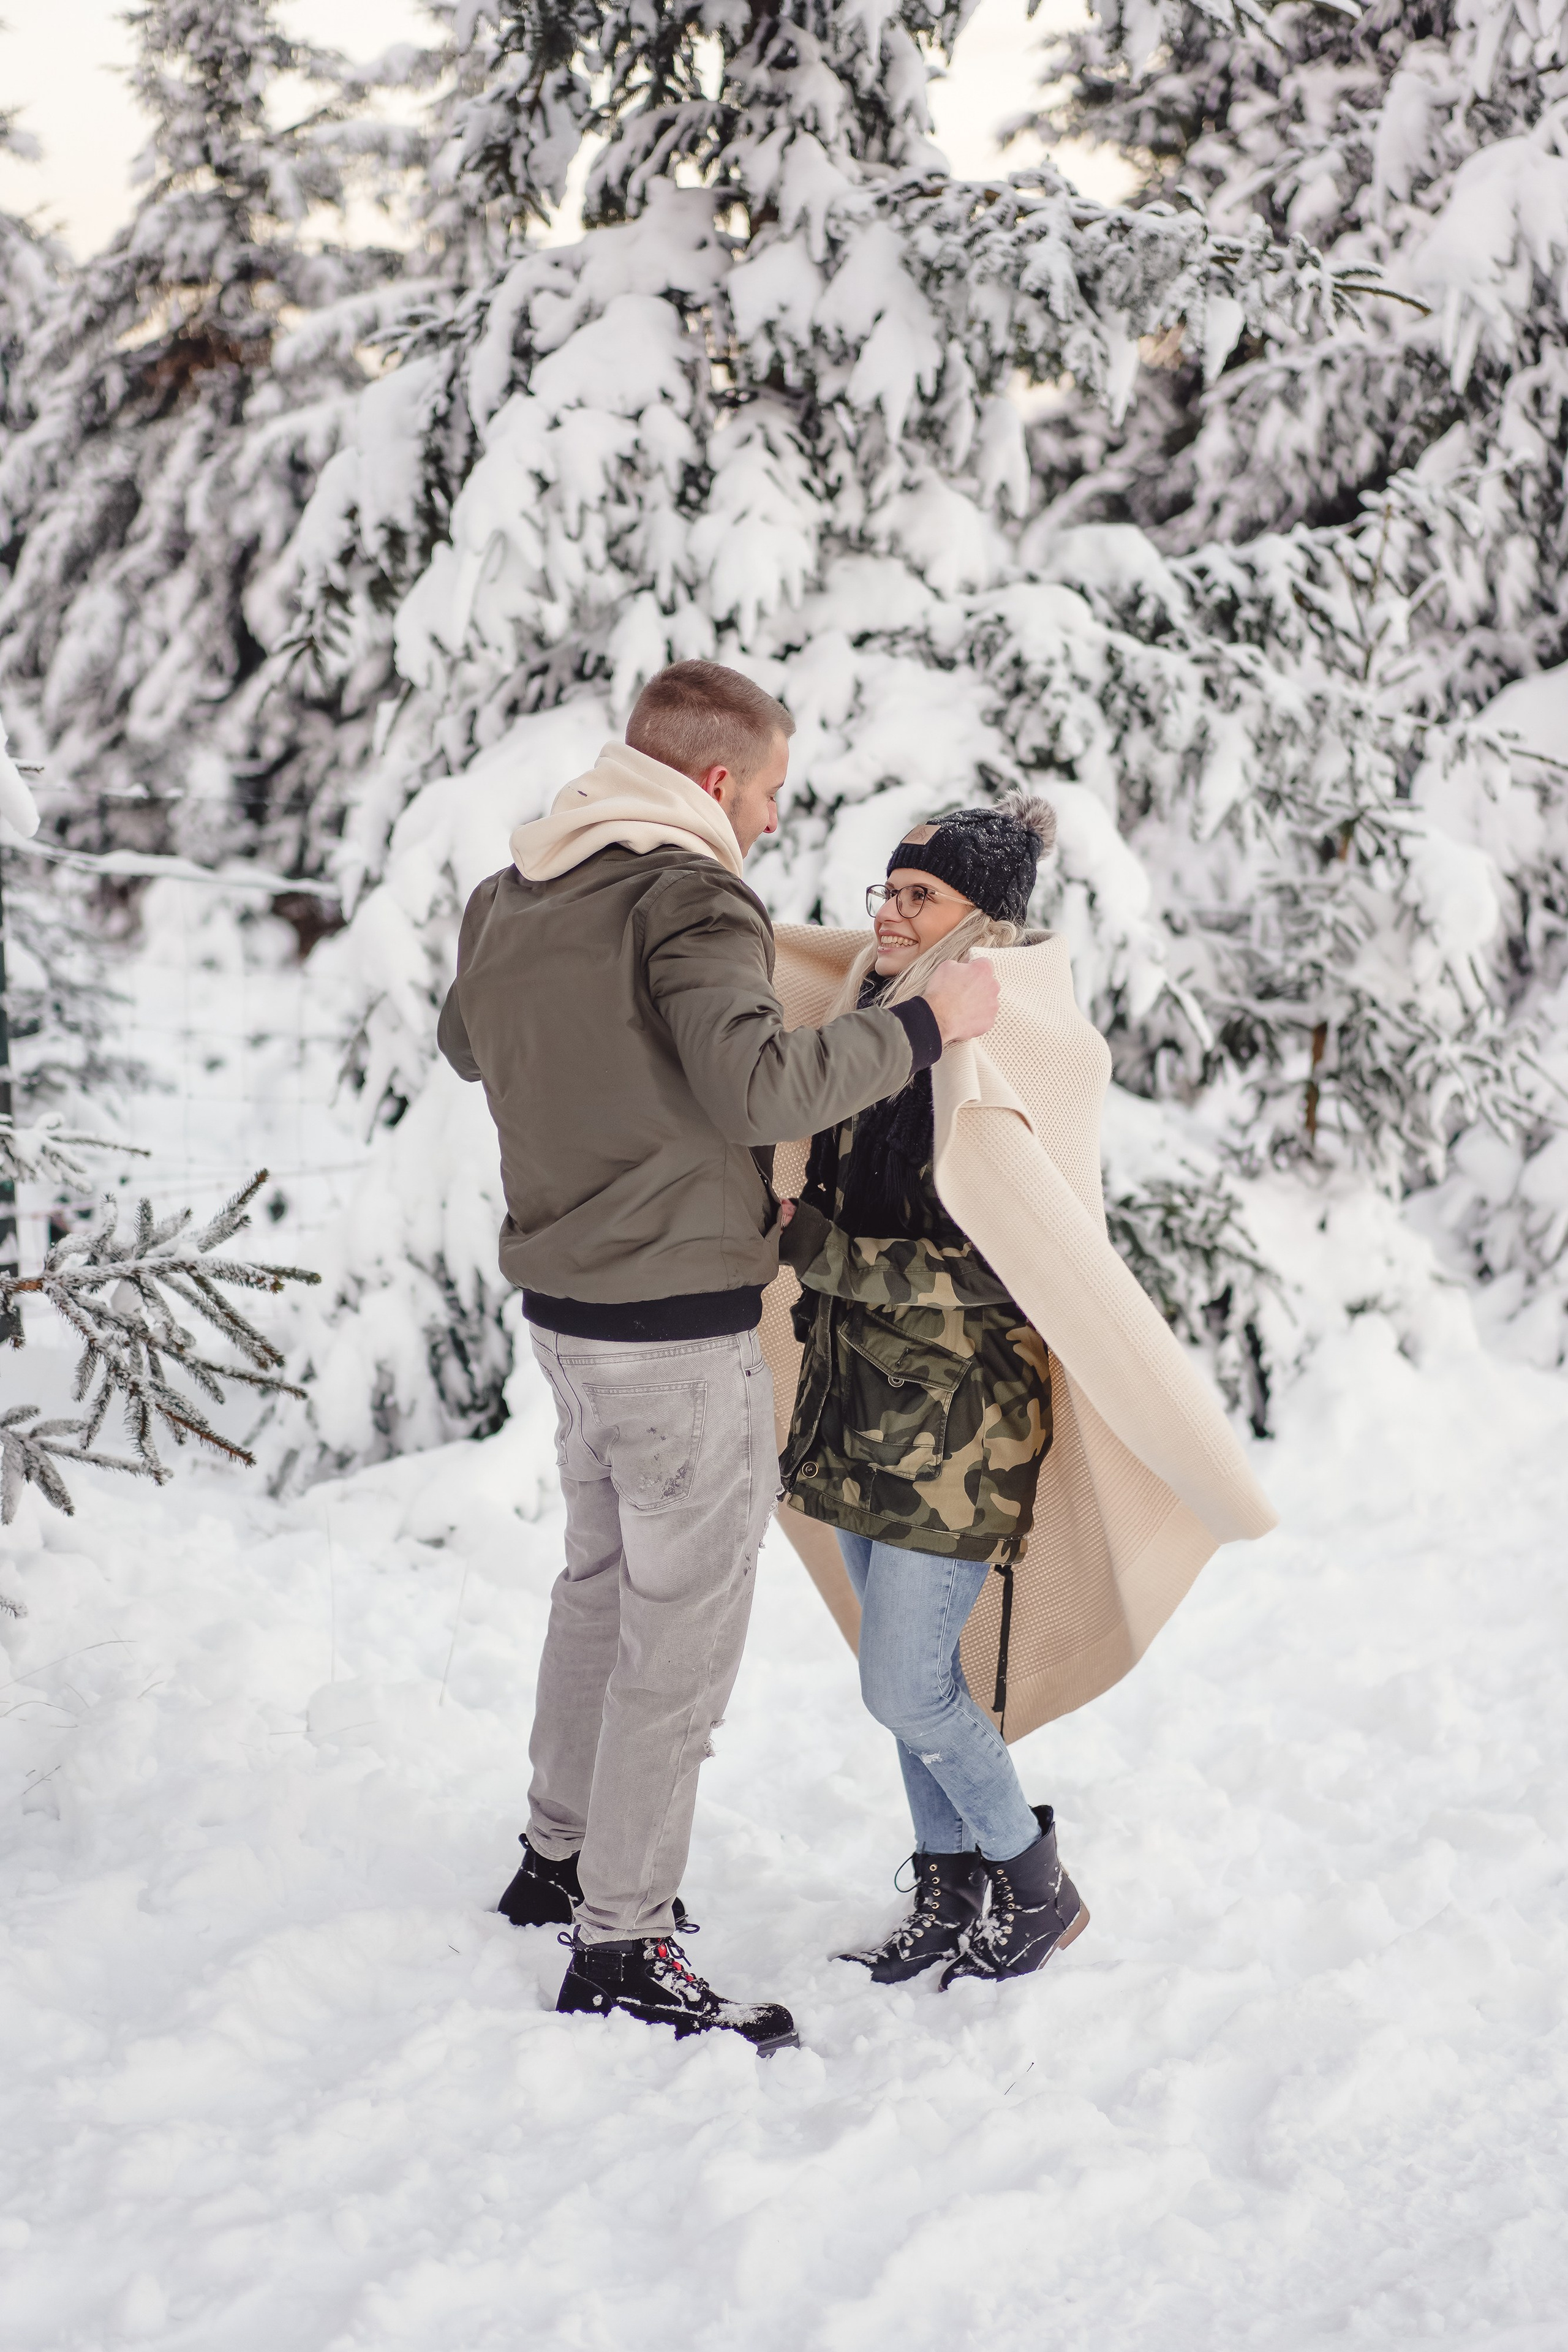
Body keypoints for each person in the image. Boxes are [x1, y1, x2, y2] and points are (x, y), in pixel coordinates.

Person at [437, 660, 1000, 2052]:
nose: (769, 820)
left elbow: (468, 1044)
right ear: (712, 781)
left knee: (596, 1592)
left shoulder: (513, 893)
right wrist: (925, 1024)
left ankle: (557, 1860)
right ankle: (623, 1941)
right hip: (676, 1333)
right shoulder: (690, 895)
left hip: (565, 1318)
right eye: (768, 792)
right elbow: (758, 1087)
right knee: (675, 1645)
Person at [778, 794, 1089, 1989]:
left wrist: (816, 1252)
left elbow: (1004, 1262)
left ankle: (1034, 1883)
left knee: (904, 1684)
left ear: (979, 920)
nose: (891, 913)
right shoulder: (880, 1014)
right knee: (914, 1682)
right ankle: (948, 1887)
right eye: (888, 890)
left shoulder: (998, 1043)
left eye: (921, 896)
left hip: (958, 1426)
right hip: (861, 1407)